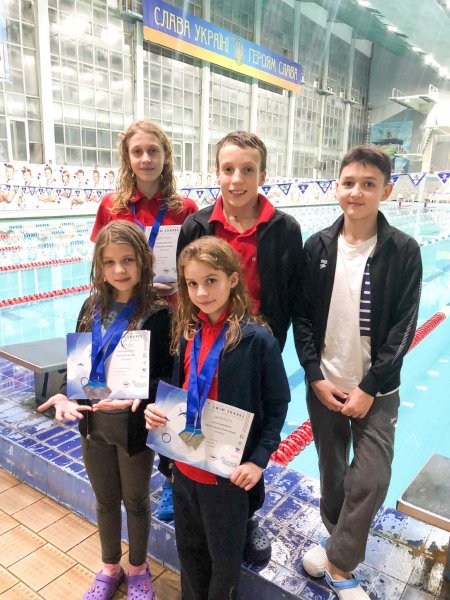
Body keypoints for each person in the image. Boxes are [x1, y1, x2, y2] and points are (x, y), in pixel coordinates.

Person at [168, 130, 303, 561]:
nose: (237, 179)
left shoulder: (284, 229)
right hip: (204, 341)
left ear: (263, 174)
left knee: (250, 434)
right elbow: (186, 288)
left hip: (253, 352)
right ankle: (184, 486)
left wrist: (270, 347)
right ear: (216, 172)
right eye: (228, 169)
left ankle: (245, 515)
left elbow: (289, 297)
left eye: (247, 169)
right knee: (198, 417)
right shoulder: (197, 225)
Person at [297, 145, 422, 599]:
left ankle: (338, 564)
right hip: (325, 385)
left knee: (370, 478)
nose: (357, 192)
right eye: (349, 182)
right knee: (331, 474)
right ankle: (338, 548)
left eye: (369, 184)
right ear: (337, 188)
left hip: (378, 391)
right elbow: (302, 317)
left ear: (386, 191)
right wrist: (314, 374)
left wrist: (370, 386)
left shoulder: (403, 250)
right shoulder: (318, 246)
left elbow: (406, 326)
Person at [144, 236, 290, 600]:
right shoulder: (187, 332)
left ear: (233, 279)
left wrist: (258, 461)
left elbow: (278, 405)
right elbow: (180, 393)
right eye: (192, 283)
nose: (201, 292)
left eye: (211, 281)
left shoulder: (258, 341)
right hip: (184, 470)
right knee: (190, 556)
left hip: (227, 478)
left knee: (224, 566)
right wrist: (159, 414)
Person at [38, 220, 172, 600]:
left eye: (128, 260)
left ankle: (139, 567)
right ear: (99, 264)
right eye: (109, 262)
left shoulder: (158, 312)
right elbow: (79, 365)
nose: (119, 270)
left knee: (136, 501)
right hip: (93, 423)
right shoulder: (90, 306)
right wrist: (66, 396)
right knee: (106, 500)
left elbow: (166, 376)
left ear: (143, 260)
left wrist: (146, 398)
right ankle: (110, 567)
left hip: (132, 428)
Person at [91, 118, 198, 295]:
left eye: (153, 151)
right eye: (137, 152)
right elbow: (101, 264)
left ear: (166, 156)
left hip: (172, 305)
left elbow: (199, 265)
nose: (146, 159)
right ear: (128, 158)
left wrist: (181, 285)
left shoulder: (186, 209)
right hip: (125, 304)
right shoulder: (110, 205)